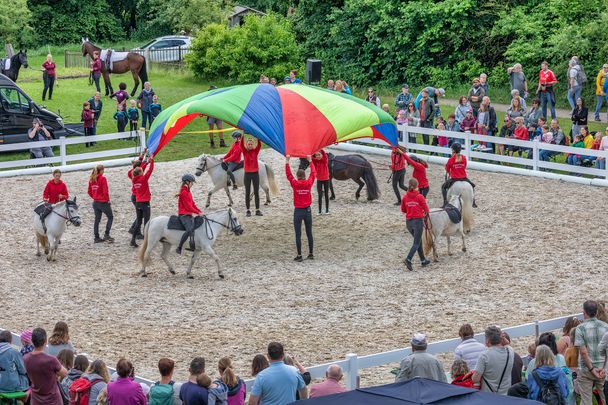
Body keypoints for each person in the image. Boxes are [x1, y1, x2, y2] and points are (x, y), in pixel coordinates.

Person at [574, 300, 608, 405]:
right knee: (605, 398)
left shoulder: (580, 328)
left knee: (586, 401)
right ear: (597, 312)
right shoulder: (606, 326)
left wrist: (592, 369)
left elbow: (583, 352)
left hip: (586, 369)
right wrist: (604, 368)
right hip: (603, 368)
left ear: (584, 312)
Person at [24, 327, 68, 405]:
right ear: (45, 341)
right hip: (52, 400)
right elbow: (64, 373)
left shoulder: (26, 358)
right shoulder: (51, 360)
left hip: (36, 400)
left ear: (32, 341)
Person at [286, 155, 316, 262]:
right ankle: (311, 253)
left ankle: (299, 255)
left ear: (297, 176)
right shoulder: (308, 183)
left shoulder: (295, 183)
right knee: (309, 233)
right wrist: (310, 161)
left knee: (298, 234)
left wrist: (287, 162)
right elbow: (313, 173)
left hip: (298, 211)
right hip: (308, 210)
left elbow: (288, 175)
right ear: (304, 175)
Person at [472, 326, 514, 395]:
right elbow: (507, 343)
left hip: (489, 396)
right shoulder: (510, 351)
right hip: (506, 395)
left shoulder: (484, 355)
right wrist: (502, 338)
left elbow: (475, 379)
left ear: (487, 340)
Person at [400, 178, 430, 271]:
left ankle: (423, 260)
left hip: (409, 222)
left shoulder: (405, 197)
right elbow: (426, 209)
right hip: (418, 222)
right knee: (416, 243)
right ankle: (408, 259)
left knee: (418, 241)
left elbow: (403, 210)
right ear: (417, 186)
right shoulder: (420, 197)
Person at [129, 156, 154, 248]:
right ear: (140, 173)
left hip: (138, 202)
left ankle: (133, 240)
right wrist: (152, 161)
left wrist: (146, 163)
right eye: (142, 171)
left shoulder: (134, 180)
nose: (143, 172)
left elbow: (142, 170)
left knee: (139, 222)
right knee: (147, 222)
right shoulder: (143, 179)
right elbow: (150, 170)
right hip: (145, 202)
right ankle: (146, 242)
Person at [441, 143, 476, 207]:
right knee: (472, 186)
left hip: (455, 178)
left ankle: (445, 202)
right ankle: (473, 201)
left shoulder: (451, 159)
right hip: (463, 177)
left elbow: (447, 169)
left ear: (453, 150)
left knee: (443, 187)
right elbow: (464, 167)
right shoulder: (464, 158)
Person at [176, 173, 202, 255]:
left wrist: (199, 211)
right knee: (189, 229)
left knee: (194, 227)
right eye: (192, 182)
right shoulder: (184, 192)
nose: (192, 184)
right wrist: (197, 212)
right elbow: (188, 207)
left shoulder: (188, 192)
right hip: (183, 215)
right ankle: (179, 247)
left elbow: (193, 204)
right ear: (187, 182)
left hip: (189, 213)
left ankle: (191, 246)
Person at [88, 164, 114, 243]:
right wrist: (107, 200)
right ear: (101, 170)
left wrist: (95, 197)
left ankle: (96, 237)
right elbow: (105, 191)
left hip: (95, 202)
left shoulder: (91, 179)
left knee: (97, 220)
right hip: (103, 202)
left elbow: (89, 191)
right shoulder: (103, 178)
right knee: (110, 217)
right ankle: (106, 234)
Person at [239, 136, 263, 217]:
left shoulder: (255, 151)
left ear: (253, 145)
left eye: (251, 144)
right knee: (247, 192)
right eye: (248, 144)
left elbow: (259, 145)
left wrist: (257, 136)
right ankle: (248, 210)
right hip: (247, 175)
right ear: (246, 145)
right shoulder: (245, 152)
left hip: (255, 174)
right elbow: (241, 145)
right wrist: (242, 135)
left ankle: (257, 210)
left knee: (256, 192)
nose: (250, 145)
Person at [312, 149, 330, 215]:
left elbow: (324, 155)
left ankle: (327, 210)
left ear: (322, 155)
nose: (318, 156)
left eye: (319, 155)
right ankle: (319, 211)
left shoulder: (324, 160)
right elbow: (311, 157)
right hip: (319, 180)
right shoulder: (315, 161)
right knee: (320, 195)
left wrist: (321, 148)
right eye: (316, 155)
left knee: (326, 195)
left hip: (326, 180)